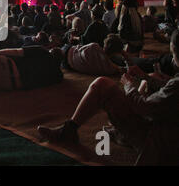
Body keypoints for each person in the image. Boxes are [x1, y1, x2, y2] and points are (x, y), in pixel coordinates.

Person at [37, 30, 179, 165]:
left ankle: (68, 131)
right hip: (165, 128)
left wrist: (129, 86)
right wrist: (145, 77)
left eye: (173, 54)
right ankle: (72, 130)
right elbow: (168, 91)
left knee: (102, 84)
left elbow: (145, 107)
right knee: (150, 79)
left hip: (159, 139)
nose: (172, 59)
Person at [61, 34, 126, 76]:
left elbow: (79, 47)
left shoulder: (94, 46)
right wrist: (125, 55)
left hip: (68, 51)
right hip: (68, 65)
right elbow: (122, 69)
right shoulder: (109, 68)